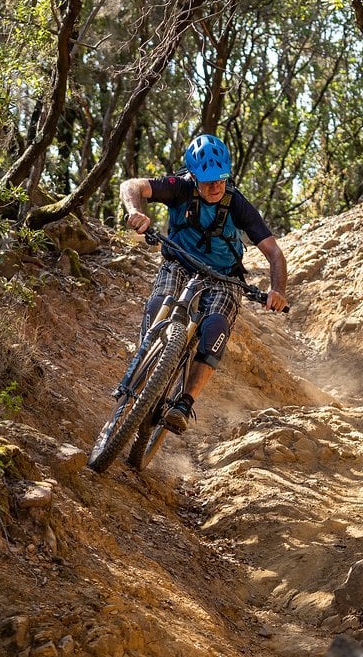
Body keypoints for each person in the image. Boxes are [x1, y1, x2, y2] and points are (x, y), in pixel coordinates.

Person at [119, 133, 288, 433]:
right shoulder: (180, 187)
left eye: (221, 179)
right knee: (160, 302)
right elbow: (132, 186)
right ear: (194, 176)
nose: (215, 187)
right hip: (180, 261)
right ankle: (147, 358)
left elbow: (274, 253)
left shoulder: (237, 204)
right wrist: (135, 212)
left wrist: (277, 290)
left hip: (224, 276)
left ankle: (184, 403)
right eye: (208, 180)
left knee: (215, 328)